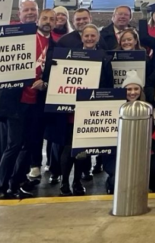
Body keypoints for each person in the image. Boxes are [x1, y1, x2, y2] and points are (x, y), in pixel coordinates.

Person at [0, 6, 53, 199]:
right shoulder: (23, 36)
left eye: (51, 19)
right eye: (44, 18)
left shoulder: (54, 44)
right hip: (15, 101)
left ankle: (17, 183)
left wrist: (45, 84)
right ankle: (0, 188)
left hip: (36, 103)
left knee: (28, 145)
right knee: (14, 145)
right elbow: (3, 59)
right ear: (38, 20)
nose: (47, 21)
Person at [42, 23, 115, 196]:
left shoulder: (104, 57)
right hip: (69, 109)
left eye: (93, 36)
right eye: (86, 36)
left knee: (84, 149)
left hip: (90, 109)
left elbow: (108, 85)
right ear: (81, 37)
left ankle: (77, 182)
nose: (89, 39)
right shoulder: (68, 55)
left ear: (97, 38)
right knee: (68, 146)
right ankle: (64, 182)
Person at [101, 70, 146, 194]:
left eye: (136, 88)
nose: (132, 92)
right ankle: (111, 181)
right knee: (119, 180)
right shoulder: (113, 108)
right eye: (129, 89)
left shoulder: (147, 109)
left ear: (141, 90)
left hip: (137, 154)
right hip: (114, 155)